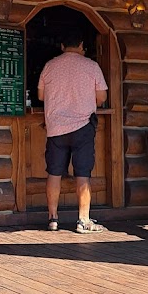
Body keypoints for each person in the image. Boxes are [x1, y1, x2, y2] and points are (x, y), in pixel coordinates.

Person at [37, 30, 108, 233]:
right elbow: (102, 97)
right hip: (83, 126)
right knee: (83, 174)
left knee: (54, 173)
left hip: (56, 127)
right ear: (81, 45)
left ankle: (53, 218)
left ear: (61, 46)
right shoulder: (92, 66)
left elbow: (41, 96)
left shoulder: (50, 66)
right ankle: (83, 220)